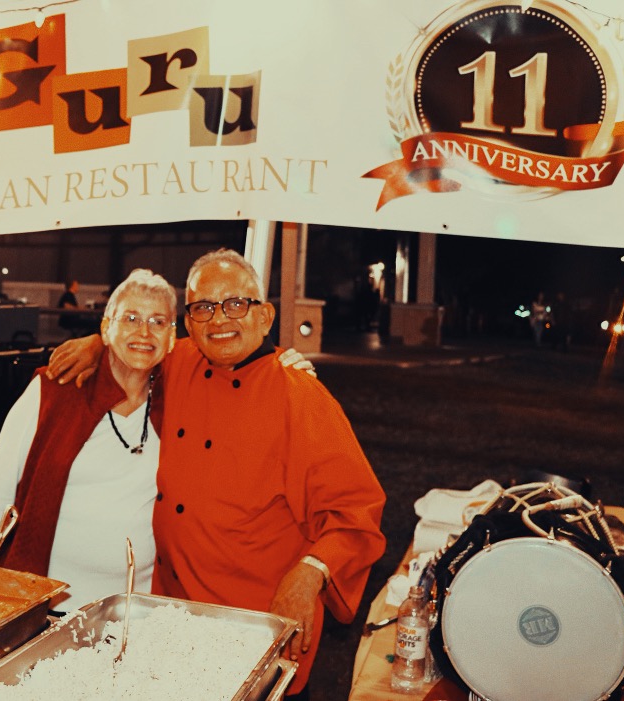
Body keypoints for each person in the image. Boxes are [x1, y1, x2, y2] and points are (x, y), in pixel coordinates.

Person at [47, 249, 386, 698]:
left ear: (265, 317)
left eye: (236, 304)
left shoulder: (301, 396)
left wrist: (310, 572)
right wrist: (98, 341)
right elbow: (141, 341)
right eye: (203, 307)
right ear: (188, 324)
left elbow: (355, 512)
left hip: (254, 624)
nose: (219, 319)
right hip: (171, 612)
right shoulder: (181, 362)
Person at [0, 269, 175, 611]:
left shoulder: (179, 400)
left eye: (158, 321)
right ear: (105, 327)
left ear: (173, 336)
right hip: (46, 600)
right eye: (130, 318)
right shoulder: (52, 389)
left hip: (138, 607)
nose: (144, 332)